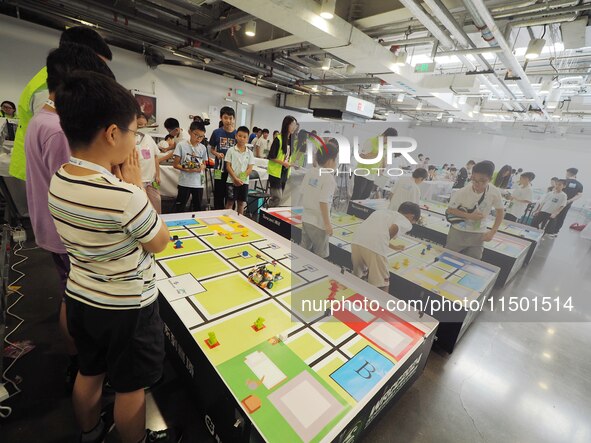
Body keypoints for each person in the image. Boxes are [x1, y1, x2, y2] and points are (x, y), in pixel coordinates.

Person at [49, 71, 174, 443]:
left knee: (89, 371)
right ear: (112, 133)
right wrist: (135, 187)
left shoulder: (60, 178)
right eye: (134, 131)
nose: (136, 140)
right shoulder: (125, 196)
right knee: (130, 386)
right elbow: (160, 241)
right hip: (127, 310)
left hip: (81, 297)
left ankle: (90, 433)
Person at [25, 44, 115, 392]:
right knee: (76, 301)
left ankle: (77, 360)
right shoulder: (61, 130)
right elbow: (80, 190)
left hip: (52, 228)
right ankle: (82, 363)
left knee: (69, 296)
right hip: (69, 235)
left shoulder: (42, 119)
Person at [10, 26, 112, 181]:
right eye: (97, 65)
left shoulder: (55, 81)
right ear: (77, 56)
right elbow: (56, 140)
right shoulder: (49, 89)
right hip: (37, 174)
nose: (99, 73)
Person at [351, 203, 421, 291]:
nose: (412, 224)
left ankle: (355, 299)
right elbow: (394, 228)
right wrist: (385, 241)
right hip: (375, 248)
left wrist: (393, 246)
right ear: (411, 216)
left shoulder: (383, 212)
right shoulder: (405, 221)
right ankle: (380, 304)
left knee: (359, 276)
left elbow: (376, 233)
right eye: (413, 222)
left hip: (357, 241)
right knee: (382, 284)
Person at [445, 161, 504, 260]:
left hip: (479, 233)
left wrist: (493, 231)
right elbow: (450, 210)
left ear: (490, 179)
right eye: (474, 179)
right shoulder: (463, 192)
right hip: (458, 231)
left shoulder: (494, 192)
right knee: (449, 258)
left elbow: (500, 212)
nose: (477, 184)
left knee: (474, 262)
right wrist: (470, 216)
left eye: (482, 181)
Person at [300, 140, 339, 258]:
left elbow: (303, 191)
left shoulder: (311, 171)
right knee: (321, 256)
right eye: (336, 159)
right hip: (319, 223)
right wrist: (328, 225)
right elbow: (323, 202)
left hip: (306, 218)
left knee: (303, 250)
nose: (337, 163)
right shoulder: (328, 178)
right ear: (330, 161)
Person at [351, 128, 398, 200]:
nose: (388, 142)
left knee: (365, 197)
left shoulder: (386, 145)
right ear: (384, 135)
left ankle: (359, 211)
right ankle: (351, 211)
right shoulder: (371, 141)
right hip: (362, 173)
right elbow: (362, 156)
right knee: (357, 196)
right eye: (388, 139)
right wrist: (376, 155)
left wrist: (382, 168)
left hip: (372, 174)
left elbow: (383, 158)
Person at [173, 121, 208, 212]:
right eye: (196, 135)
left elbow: (204, 163)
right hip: (185, 182)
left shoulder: (203, 148)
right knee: (180, 207)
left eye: (201, 136)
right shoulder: (181, 145)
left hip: (198, 183)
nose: (199, 138)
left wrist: (201, 167)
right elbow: (175, 164)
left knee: (197, 207)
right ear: (189, 132)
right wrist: (186, 169)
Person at [209, 106, 237, 209]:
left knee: (230, 194)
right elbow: (211, 149)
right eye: (225, 118)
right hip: (218, 170)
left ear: (233, 119)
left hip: (232, 170)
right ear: (221, 118)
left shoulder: (237, 134)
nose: (228, 121)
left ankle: (230, 215)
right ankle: (217, 213)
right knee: (218, 193)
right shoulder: (216, 132)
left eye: (230, 118)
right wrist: (216, 154)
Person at [267, 115, 297, 207]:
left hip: (285, 173)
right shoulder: (278, 139)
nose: (294, 127)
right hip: (275, 173)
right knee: (277, 198)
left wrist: (290, 164)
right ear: (286, 125)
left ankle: (272, 216)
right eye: (292, 125)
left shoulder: (291, 140)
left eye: (295, 125)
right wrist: (284, 163)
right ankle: (267, 215)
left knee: (281, 199)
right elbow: (271, 156)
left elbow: (287, 156)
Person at [225, 126, 255, 215]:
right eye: (240, 136)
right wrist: (235, 179)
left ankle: (239, 221)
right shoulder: (231, 150)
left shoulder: (250, 153)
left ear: (247, 139)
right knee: (230, 202)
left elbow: (250, 168)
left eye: (244, 137)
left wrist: (240, 179)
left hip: (243, 182)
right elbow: (228, 166)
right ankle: (226, 220)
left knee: (241, 203)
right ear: (236, 136)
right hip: (231, 181)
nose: (242, 138)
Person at [135, 113, 162, 213]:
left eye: (145, 124)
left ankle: (159, 224)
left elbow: (155, 157)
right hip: (138, 180)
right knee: (141, 208)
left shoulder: (149, 138)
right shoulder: (130, 138)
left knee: (157, 203)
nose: (143, 127)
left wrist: (158, 175)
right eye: (139, 124)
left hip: (152, 180)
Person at [553, 168, 584, 234]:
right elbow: (579, 195)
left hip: (557, 202)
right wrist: (569, 200)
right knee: (561, 217)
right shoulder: (579, 185)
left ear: (568, 173)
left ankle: (549, 230)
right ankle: (555, 232)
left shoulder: (563, 182)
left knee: (553, 214)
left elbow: (555, 190)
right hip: (567, 204)